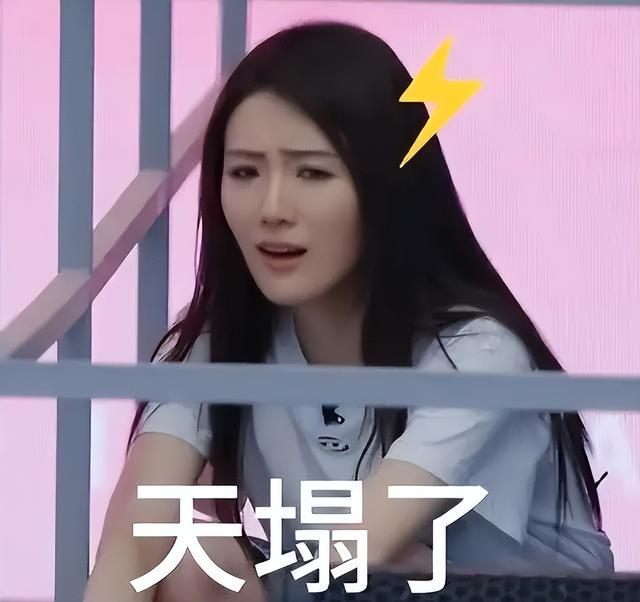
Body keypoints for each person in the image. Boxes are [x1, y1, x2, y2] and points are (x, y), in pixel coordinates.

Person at [84, 21, 614, 602]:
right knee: (186, 556)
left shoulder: (477, 349)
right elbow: (133, 542)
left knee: (396, 567)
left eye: (312, 172)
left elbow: (366, 548)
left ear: (385, 185)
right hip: (337, 582)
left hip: (459, 589)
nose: (272, 208)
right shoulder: (210, 342)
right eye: (245, 172)